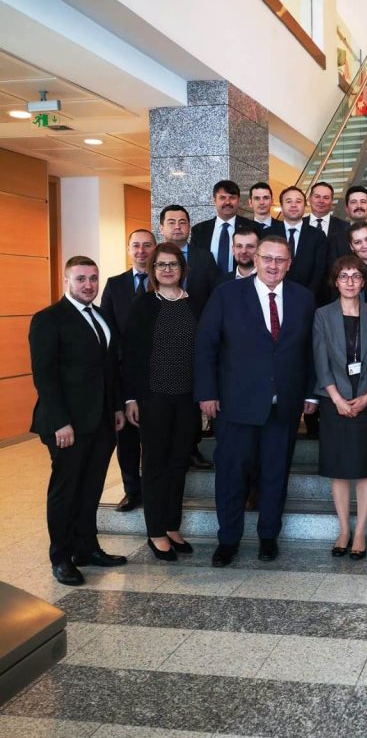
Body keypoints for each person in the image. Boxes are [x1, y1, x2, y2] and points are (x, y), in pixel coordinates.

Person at [195, 235, 317, 567]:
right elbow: (206, 345)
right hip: (235, 405)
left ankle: (268, 537)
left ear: (289, 264)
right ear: (256, 259)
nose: (273, 265)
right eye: (267, 258)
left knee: (275, 474)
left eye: (280, 260)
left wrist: (310, 393)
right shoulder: (227, 294)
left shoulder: (303, 298)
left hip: (284, 405)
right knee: (231, 475)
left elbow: (310, 349)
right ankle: (228, 540)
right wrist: (207, 393)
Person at [28, 256, 126, 586]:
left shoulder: (100, 316)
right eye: (81, 279)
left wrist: (116, 408)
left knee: (91, 487)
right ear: (67, 280)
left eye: (93, 278)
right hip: (67, 424)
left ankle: (87, 548)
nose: (88, 285)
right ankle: (61, 557)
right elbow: (44, 376)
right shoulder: (48, 319)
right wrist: (60, 422)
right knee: (65, 490)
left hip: (100, 420)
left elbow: (108, 369)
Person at [123, 243, 198, 562]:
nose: (167, 270)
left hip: (187, 399)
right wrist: (130, 397)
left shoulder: (194, 303)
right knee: (155, 464)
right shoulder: (143, 305)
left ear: (182, 268)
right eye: (161, 265)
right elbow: (130, 355)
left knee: (179, 463)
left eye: (173, 264)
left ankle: (171, 525)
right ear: (153, 270)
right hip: (153, 398)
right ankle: (155, 531)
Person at [313, 255, 367, 560]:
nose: (350, 282)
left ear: (364, 281)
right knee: (339, 469)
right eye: (344, 276)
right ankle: (344, 529)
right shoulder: (322, 315)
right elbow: (320, 362)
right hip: (335, 401)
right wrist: (338, 400)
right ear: (336, 281)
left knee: (366, 469)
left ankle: (360, 532)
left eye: (356, 276)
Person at [158, 204, 218, 471]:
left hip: (196, 337)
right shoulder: (154, 257)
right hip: (162, 341)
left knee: (191, 397)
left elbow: (213, 296)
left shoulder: (204, 258)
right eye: (171, 222)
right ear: (161, 227)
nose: (177, 227)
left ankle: (191, 448)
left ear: (189, 227)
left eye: (182, 222)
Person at [100, 228, 156, 512]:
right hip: (124, 373)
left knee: (156, 437)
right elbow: (107, 330)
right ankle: (132, 490)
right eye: (136, 245)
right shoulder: (115, 284)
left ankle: (155, 490)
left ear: (155, 248)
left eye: (147, 245)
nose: (141, 251)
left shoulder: (166, 282)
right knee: (128, 438)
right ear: (128, 249)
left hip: (159, 374)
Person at [264, 186, 327, 297]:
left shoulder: (318, 235)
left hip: (308, 297)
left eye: (298, 201)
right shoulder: (267, 234)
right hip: (273, 296)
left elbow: (320, 271)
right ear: (281, 206)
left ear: (305, 205)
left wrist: (307, 296)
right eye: (289, 201)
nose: (293, 205)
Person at [191, 179, 258, 277]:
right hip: (207, 285)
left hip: (241, 282)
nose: (227, 202)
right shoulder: (199, 230)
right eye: (222, 198)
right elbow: (194, 263)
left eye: (232, 197)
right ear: (214, 200)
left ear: (238, 200)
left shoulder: (252, 227)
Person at [325, 186, 367, 270]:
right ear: (347, 209)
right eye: (353, 202)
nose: (359, 206)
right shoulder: (335, 240)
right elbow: (333, 271)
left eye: (363, 202)